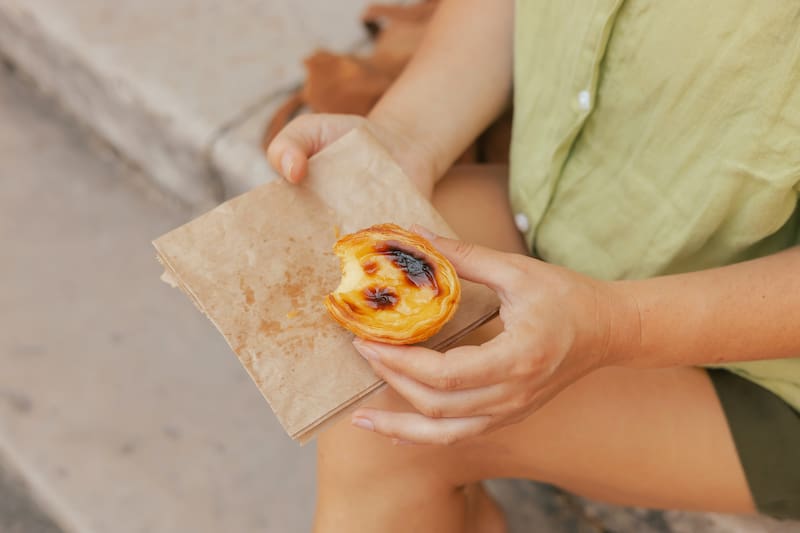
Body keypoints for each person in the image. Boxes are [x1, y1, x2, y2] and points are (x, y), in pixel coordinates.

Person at [267, 1, 800, 531]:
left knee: (391, 418)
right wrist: (403, 136)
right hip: (562, 210)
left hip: (764, 355)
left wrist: (617, 324)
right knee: (345, 325)